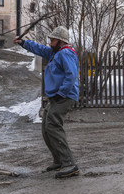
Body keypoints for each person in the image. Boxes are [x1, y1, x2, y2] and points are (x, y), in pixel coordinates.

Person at [13, 26, 80, 179]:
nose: (50, 42)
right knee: (46, 127)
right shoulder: (55, 52)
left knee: (53, 125)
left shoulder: (66, 53)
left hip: (64, 96)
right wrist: (23, 43)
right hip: (56, 96)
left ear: (61, 41)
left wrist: (61, 93)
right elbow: (40, 49)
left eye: (53, 40)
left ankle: (70, 164)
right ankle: (59, 160)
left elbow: (71, 75)